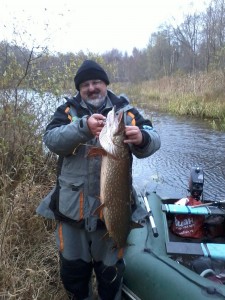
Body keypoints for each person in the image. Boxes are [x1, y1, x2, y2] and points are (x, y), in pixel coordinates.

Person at [36, 59, 161, 300]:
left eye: (97, 82)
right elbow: (51, 140)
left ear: (105, 84)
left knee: (111, 275)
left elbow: (155, 140)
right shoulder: (68, 112)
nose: (92, 88)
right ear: (79, 89)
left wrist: (143, 137)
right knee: (74, 275)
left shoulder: (125, 111)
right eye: (85, 85)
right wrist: (83, 127)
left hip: (113, 212)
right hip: (73, 213)